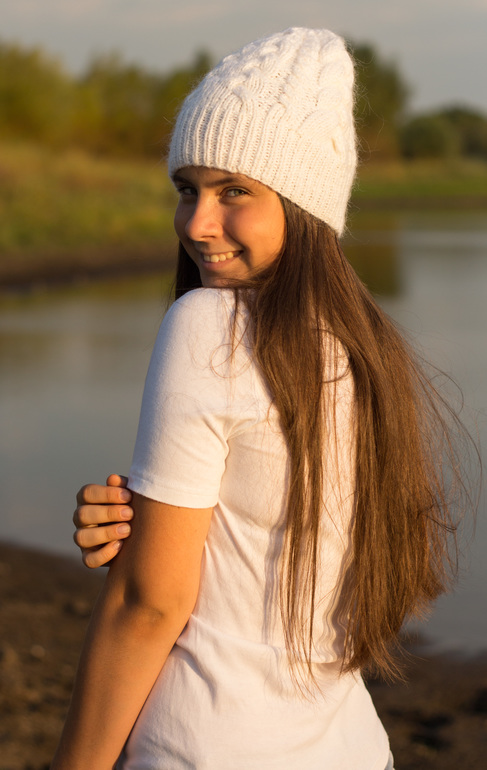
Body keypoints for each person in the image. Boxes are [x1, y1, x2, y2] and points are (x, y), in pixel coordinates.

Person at [52, 27, 468, 770]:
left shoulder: (208, 324)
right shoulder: (364, 348)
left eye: (234, 191)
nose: (197, 223)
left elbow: (150, 606)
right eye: (188, 189)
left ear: (302, 203)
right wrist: (138, 529)